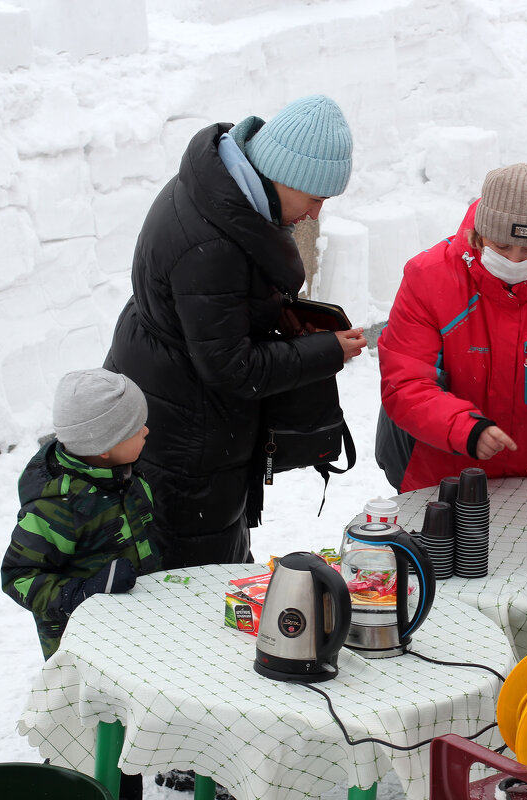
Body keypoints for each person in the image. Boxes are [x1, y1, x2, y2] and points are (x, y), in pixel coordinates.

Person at [104, 94, 367, 569]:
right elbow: (232, 367)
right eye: (314, 199)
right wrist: (324, 351)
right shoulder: (213, 241)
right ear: (285, 176)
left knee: (207, 562)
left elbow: (216, 311)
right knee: (198, 584)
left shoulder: (219, 192)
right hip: (185, 433)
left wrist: (276, 318)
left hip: (171, 398)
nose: (314, 214)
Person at [376, 162, 527, 492]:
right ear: (479, 234)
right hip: (438, 473)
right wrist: (466, 429)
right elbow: (406, 383)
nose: (515, 261)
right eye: (502, 247)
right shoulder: (428, 278)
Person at [1, 368, 159, 798]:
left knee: (129, 738)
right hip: (82, 648)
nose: (147, 429)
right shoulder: (57, 506)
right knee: (90, 749)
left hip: (127, 635)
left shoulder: (118, 473)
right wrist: (81, 593)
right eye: (135, 427)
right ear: (104, 448)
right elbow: (18, 577)